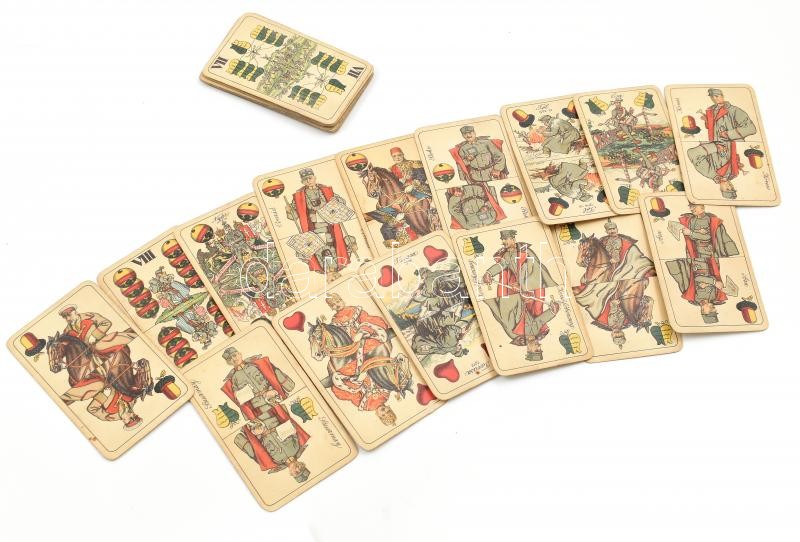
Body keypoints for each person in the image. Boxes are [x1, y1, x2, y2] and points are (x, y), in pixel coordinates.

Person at [481, 230, 560, 361]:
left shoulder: (514, 335)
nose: (539, 346)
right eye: (503, 239)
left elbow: (505, 310)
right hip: (524, 293)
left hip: (518, 294)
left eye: (537, 349)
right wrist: (553, 312)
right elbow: (539, 321)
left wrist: (521, 289)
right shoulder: (535, 334)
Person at [666, 204, 739, 323]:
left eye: (711, 310)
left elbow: (698, 278)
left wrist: (691, 233)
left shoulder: (694, 298)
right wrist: (718, 284)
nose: (713, 308)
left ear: (703, 311)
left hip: (697, 260)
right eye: (715, 310)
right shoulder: (714, 297)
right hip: (709, 259)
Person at [686, 88, 756, 199]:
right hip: (729, 143)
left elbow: (692, 153)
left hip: (718, 142)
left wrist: (718, 144)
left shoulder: (711, 173)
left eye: (727, 189)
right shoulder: (734, 174)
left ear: (721, 189)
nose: (729, 186)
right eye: (732, 188)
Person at [285, 167, 353, 279]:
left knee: (331, 245)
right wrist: (289, 210)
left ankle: (331, 268)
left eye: (310, 178)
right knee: (317, 248)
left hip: (329, 225)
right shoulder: (299, 196)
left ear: (315, 178)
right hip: (313, 227)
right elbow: (294, 216)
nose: (308, 181)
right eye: (305, 179)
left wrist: (337, 201)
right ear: (302, 182)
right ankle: (329, 268)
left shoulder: (326, 190)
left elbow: (342, 202)